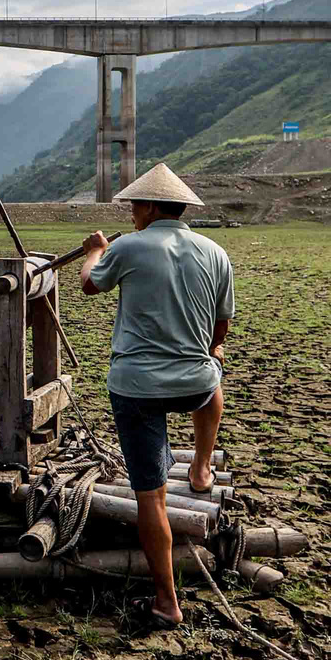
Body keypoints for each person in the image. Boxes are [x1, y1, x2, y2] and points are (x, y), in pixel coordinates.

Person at [74, 162, 233, 627]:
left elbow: (90, 284)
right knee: (212, 377)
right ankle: (202, 467)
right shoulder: (214, 252)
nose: (130, 214)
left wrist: (95, 251)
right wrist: (211, 350)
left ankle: (167, 602)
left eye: (133, 206)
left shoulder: (128, 246)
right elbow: (221, 324)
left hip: (138, 388)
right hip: (195, 384)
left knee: (151, 498)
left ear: (148, 206)